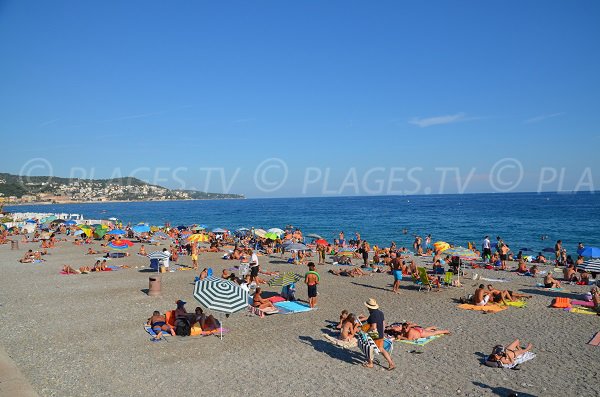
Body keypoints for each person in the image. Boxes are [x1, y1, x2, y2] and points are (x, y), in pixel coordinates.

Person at [359, 299, 395, 370]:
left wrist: (366, 332)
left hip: (375, 335)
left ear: (369, 307)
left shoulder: (373, 315)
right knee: (381, 349)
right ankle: (391, 363)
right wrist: (383, 332)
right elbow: (383, 323)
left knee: (368, 347)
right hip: (380, 334)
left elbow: (373, 327)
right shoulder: (380, 312)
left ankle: (370, 363)